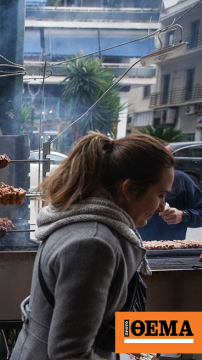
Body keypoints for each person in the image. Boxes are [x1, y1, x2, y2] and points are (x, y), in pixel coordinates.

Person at [11, 133, 175, 360]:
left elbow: (102, 328)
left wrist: (187, 333)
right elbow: (70, 353)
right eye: (160, 195)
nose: (161, 206)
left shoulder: (84, 223)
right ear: (128, 189)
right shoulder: (92, 244)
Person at [137, 169, 202, 240]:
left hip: (172, 247)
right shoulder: (130, 180)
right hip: (133, 246)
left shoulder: (180, 179)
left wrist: (183, 215)